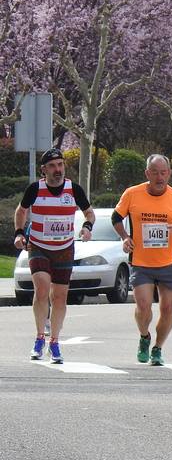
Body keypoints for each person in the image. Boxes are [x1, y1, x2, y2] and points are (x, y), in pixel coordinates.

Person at [13, 148, 96, 363]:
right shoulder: (35, 189)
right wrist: (19, 233)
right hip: (39, 246)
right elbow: (21, 211)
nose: (57, 169)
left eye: (60, 165)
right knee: (41, 289)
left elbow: (89, 212)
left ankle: (55, 342)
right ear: (44, 170)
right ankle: (40, 337)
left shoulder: (73, 190)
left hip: (64, 248)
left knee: (59, 296)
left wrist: (87, 227)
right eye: (52, 166)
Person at [112, 154, 172, 366]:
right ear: (147, 173)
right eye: (155, 172)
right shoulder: (132, 194)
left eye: (163, 172)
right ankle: (144, 337)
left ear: (169, 173)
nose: (159, 177)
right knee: (143, 306)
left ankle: (157, 348)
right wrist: (125, 237)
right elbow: (116, 217)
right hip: (141, 262)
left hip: (169, 263)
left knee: (167, 309)